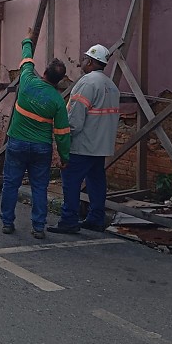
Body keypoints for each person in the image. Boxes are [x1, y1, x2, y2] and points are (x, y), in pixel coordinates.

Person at [0, 28, 70, 239]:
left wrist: (28, 39)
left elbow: (26, 59)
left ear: (45, 72)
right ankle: (38, 227)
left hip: (17, 143)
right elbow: (62, 133)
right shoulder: (58, 100)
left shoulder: (28, 80)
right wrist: (64, 158)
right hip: (41, 147)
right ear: (59, 80)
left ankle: (7, 222)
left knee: (11, 183)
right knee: (39, 187)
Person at [49, 44, 120, 234]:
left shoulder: (87, 83)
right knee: (97, 181)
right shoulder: (111, 85)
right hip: (101, 146)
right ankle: (96, 219)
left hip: (82, 145)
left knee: (71, 182)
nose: (82, 61)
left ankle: (69, 220)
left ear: (90, 61)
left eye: (85, 59)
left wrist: (63, 140)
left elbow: (74, 119)